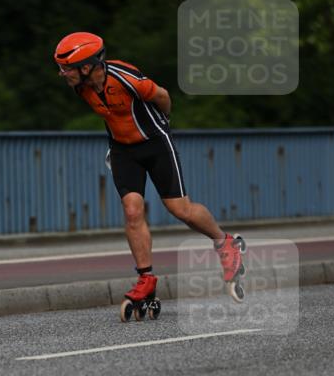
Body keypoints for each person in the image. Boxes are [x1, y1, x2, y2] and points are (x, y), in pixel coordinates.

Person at [53, 31, 246, 309]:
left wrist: (163, 122)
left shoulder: (126, 77)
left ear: (87, 66)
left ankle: (226, 243)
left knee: (181, 210)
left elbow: (163, 96)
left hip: (155, 143)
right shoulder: (80, 86)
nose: (62, 74)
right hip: (122, 150)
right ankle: (146, 278)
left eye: (66, 68)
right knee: (132, 210)